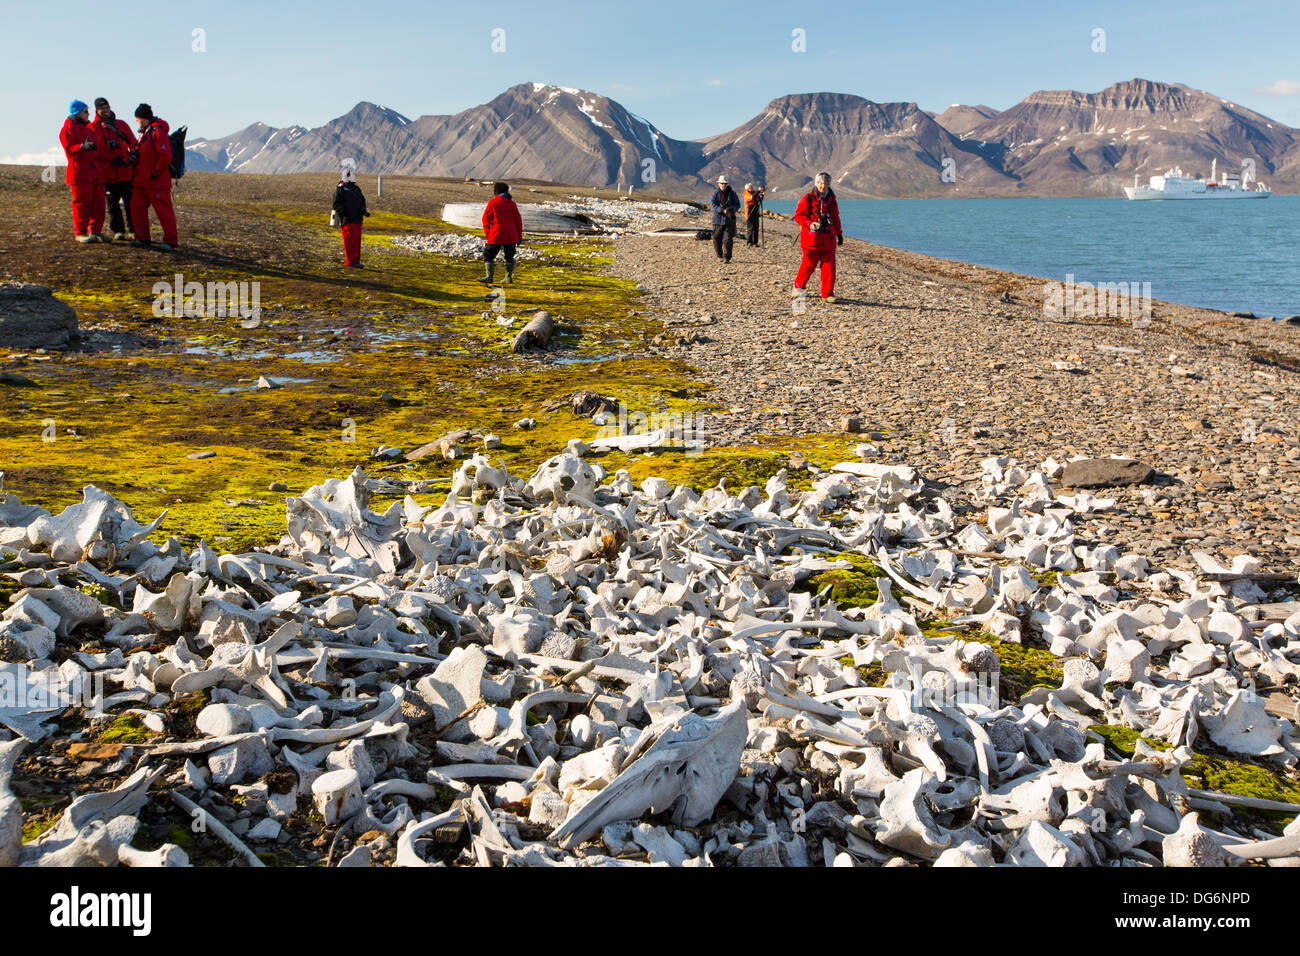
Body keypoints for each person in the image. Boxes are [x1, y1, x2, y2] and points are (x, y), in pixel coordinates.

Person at [128, 104, 179, 251]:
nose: (138, 121)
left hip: (155, 181)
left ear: (143, 119)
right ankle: (142, 237)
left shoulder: (157, 132)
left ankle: (171, 240)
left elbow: (165, 156)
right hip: (142, 181)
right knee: (136, 207)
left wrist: (154, 173)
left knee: (163, 210)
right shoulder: (146, 132)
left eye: (139, 119)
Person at [59, 100, 107, 243]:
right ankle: (80, 232)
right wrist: (81, 147)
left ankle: (96, 232)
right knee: (82, 204)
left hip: (94, 172)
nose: (88, 114)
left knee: (98, 203)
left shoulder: (87, 127)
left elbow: (97, 149)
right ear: (77, 112)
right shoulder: (68, 128)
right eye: (86, 111)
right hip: (80, 173)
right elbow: (69, 149)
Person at [792, 171, 843, 303]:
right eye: (820, 183)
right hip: (811, 238)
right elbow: (798, 216)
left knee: (829, 267)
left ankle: (827, 293)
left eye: (826, 183)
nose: (823, 186)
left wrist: (839, 234)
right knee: (809, 264)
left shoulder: (832, 200)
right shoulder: (807, 198)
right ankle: (799, 287)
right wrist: (810, 224)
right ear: (816, 183)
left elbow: (836, 218)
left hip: (828, 239)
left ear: (829, 184)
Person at [90, 98, 137, 241]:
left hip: (125, 170)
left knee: (131, 203)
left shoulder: (121, 125)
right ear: (97, 110)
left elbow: (133, 144)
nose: (105, 110)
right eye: (101, 108)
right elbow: (94, 152)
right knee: (112, 204)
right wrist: (109, 154)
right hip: (108, 172)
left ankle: (134, 231)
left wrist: (125, 153)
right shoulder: (93, 128)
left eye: (107, 107)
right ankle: (118, 231)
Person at [479, 181, 523, 285]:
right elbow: (518, 221)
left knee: (488, 255)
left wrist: (488, 234)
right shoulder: (512, 204)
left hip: (496, 234)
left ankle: (489, 277)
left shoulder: (493, 202)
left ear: (496, 191)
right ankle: (508, 278)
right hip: (511, 235)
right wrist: (518, 237)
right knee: (509, 256)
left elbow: (485, 220)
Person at [332, 163, 370, 267]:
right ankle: (350, 261)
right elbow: (336, 203)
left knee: (357, 242)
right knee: (350, 241)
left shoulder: (356, 189)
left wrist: (363, 211)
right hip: (348, 220)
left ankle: (356, 261)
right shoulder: (341, 188)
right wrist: (344, 212)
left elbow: (362, 201)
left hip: (357, 219)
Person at [709, 175, 741, 263]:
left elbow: (737, 205)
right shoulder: (715, 194)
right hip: (717, 220)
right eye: (722, 183)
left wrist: (731, 209)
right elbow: (712, 205)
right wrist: (722, 210)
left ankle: (727, 257)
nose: (723, 185)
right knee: (716, 238)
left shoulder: (732, 194)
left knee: (728, 240)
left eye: (725, 183)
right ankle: (719, 254)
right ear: (718, 183)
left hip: (729, 220)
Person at [743, 182, 765, 246]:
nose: (752, 188)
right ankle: (749, 242)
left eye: (752, 187)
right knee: (750, 228)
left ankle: (755, 242)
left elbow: (758, 200)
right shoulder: (746, 195)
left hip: (755, 213)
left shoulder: (754, 193)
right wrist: (758, 190)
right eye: (750, 188)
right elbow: (752, 197)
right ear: (747, 189)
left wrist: (761, 197)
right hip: (749, 214)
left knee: (756, 228)